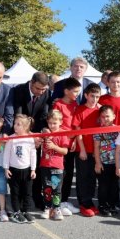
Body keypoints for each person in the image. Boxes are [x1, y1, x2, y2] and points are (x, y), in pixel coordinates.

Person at [12, 71, 50, 211]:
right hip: (20, 135)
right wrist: (29, 135)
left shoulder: (46, 93)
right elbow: (19, 115)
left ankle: (36, 196)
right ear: (31, 82)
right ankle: (19, 200)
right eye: (37, 88)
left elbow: (44, 115)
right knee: (20, 168)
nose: (40, 92)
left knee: (35, 167)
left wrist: (41, 132)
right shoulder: (18, 90)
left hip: (35, 137)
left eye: (43, 89)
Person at [51, 76, 80, 215]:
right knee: (59, 173)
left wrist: (74, 139)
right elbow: (56, 125)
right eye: (75, 92)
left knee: (68, 173)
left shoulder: (75, 105)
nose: (77, 95)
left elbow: (75, 124)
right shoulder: (58, 105)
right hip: (60, 145)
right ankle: (56, 202)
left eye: (78, 92)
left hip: (71, 144)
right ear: (66, 91)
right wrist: (66, 137)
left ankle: (64, 201)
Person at [72, 83, 102, 217]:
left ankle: (89, 201)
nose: (94, 99)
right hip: (83, 149)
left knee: (92, 177)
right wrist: (82, 150)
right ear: (86, 95)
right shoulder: (80, 110)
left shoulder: (100, 110)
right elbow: (78, 132)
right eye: (92, 96)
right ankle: (84, 203)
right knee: (82, 177)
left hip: (96, 150)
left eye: (97, 97)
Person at [37, 110, 71, 221]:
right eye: (50, 123)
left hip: (57, 167)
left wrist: (54, 146)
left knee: (56, 189)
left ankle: (56, 208)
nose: (52, 125)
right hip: (45, 165)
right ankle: (47, 208)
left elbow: (65, 151)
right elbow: (37, 143)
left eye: (55, 123)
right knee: (46, 189)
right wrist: (39, 141)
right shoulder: (45, 132)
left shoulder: (62, 134)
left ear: (60, 122)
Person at [3, 114, 37, 223]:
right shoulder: (11, 138)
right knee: (15, 192)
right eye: (15, 124)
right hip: (14, 170)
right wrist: (6, 168)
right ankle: (16, 212)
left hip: (26, 170)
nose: (15, 126)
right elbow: (6, 154)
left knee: (27, 192)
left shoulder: (30, 139)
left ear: (26, 127)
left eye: (19, 124)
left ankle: (25, 211)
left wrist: (33, 169)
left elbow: (33, 154)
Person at [93, 105, 120, 216]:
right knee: (103, 186)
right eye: (103, 117)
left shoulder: (118, 130)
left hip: (116, 163)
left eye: (108, 116)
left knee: (114, 186)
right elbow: (96, 147)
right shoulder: (98, 131)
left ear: (114, 116)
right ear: (100, 118)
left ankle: (112, 205)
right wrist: (98, 163)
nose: (106, 119)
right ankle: (103, 205)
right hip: (104, 163)